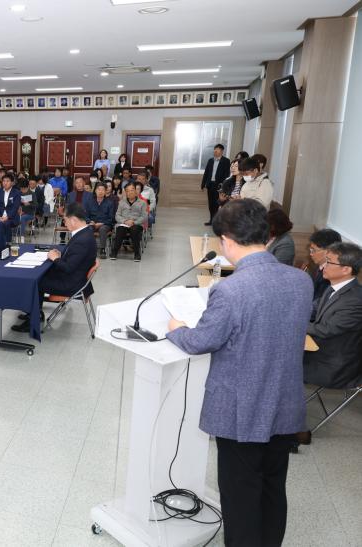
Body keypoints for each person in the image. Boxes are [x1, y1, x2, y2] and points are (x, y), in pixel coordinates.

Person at [166, 199, 312, 547]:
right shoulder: (301, 281)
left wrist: (177, 329)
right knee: (273, 486)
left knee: (240, 493)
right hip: (284, 402)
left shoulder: (231, 290)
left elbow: (201, 341)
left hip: (241, 409)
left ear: (227, 240)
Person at [11, 202, 97, 333]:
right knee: (38, 274)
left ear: (73, 220)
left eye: (65, 220)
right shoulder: (85, 233)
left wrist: (55, 259)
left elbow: (68, 268)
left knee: (34, 281)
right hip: (76, 277)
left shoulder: (82, 240)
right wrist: (61, 255)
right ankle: (34, 312)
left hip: (71, 284)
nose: (64, 223)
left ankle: (33, 320)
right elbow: (75, 258)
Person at [303, 242, 362, 392]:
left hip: (334, 366)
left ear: (346, 269)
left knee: (279, 364)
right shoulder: (333, 288)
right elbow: (311, 309)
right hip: (320, 351)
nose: (324, 265)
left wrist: (293, 324)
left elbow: (327, 329)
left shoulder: (356, 299)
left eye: (329, 262)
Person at [111, 183, 146, 262]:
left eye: (132, 190)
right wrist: (125, 221)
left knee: (134, 230)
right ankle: (114, 252)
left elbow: (144, 216)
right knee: (120, 229)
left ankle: (137, 253)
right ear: (126, 192)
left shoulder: (142, 203)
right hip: (124, 223)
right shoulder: (121, 202)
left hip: (136, 224)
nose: (130, 192)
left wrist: (134, 222)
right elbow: (117, 215)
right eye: (128, 191)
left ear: (135, 191)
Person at [308, 229, 342, 299]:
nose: (311, 254)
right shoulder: (320, 265)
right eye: (310, 250)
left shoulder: (331, 277)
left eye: (314, 250)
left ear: (329, 251)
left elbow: (318, 300)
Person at [201, 144, 230, 226]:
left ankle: (217, 221)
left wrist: (224, 186)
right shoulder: (210, 160)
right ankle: (211, 220)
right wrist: (203, 184)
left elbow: (226, 174)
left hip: (219, 186)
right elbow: (206, 173)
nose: (215, 151)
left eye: (217, 149)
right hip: (210, 185)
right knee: (211, 204)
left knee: (217, 204)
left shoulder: (226, 161)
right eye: (215, 149)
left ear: (222, 151)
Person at [85, 183, 114, 259]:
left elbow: (111, 218)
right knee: (89, 228)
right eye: (99, 189)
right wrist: (90, 221)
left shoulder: (110, 203)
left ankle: (102, 250)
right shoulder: (89, 202)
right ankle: (89, 250)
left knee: (102, 229)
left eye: (102, 190)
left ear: (105, 191)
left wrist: (102, 223)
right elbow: (85, 216)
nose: (100, 191)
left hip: (105, 224)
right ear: (95, 191)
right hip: (92, 223)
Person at [0, 174, 21, 243]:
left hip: (12, 217)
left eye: (7, 181)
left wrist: (7, 217)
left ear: (12, 183)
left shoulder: (16, 192)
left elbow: (15, 207)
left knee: (6, 224)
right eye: (3, 181)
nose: (5, 183)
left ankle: (7, 243)